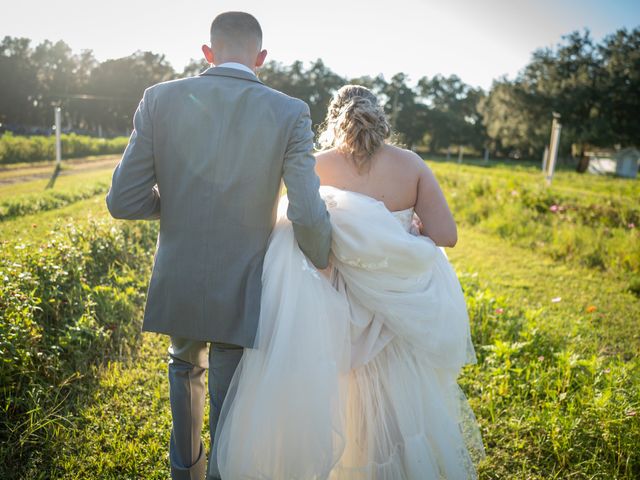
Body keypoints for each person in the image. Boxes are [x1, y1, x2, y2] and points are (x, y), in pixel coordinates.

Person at [214, 85, 485, 479]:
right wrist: (408, 231)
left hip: (332, 303)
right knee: (398, 410)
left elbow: (296, 227)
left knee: (339, 399)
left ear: (334, 117)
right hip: (395, 312)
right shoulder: (411, 165)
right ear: (379, 115)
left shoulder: (315, 165)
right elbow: (447, 235)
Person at [105, 12, 332, 480]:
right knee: (233, 387)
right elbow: (306, 210)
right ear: (262, 58)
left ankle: (183, 471)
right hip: (245, 278)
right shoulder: (291, 111)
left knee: (183, 369)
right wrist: (323, 258)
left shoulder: (158, 99)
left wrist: (179, 205)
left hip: (180, 272)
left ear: (207, 53)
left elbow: (123, 200)